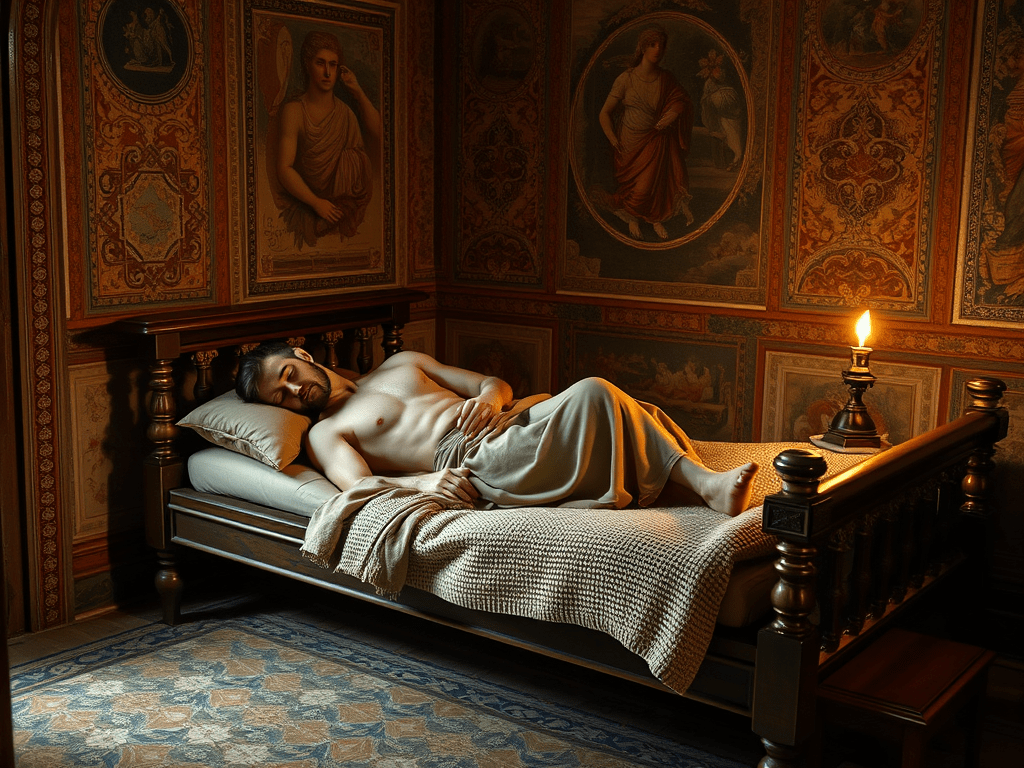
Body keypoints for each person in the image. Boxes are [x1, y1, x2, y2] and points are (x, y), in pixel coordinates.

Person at [235, 342, 759, 517]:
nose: (292, 392)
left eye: (288, 375)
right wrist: (420, 484)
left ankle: (686, 481)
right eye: (278, 397)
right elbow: (356, 487)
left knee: (624, 407)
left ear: (302, 355)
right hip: (471, 460)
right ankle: (704, 486)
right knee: (597, 392)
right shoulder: (325, 432)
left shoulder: (402, 361)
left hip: (509, 420)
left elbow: (492, 381)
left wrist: (488, 397)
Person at [275, 30, 381, 248]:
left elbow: (379, 133)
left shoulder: (346, 115)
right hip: (309, 204)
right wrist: (315, 202)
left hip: (345, 207)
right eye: (320, 63)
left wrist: (358, 92)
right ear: (307, 65)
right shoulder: (294, 111)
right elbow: (284, 167)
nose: (327, 72)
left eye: (333, 65)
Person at [598, 25, 694, 241]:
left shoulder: (667, 78)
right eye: (652, 44)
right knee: (639, 190)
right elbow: (604, 113)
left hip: (657, 139)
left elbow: (681, 101)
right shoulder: (626, 78)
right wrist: (613, 139)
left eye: (661, 45)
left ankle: (654, 218)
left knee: (654, 185)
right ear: (642, 47)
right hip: (629, 142)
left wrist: (673, 113)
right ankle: (633, 217)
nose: (658, 49)